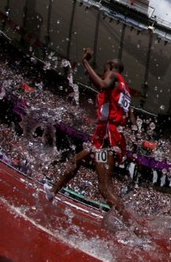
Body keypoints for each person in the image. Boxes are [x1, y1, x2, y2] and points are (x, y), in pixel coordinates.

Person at [45, 48, 138, 227]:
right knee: (76, 159)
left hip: (107, 138)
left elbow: (102, 85)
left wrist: (85, 62)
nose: (105, 73)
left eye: (105, 69)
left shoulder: (114, 77)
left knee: (104, 187)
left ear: (112, 68)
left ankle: (134, 229)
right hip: (106, 135)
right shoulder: (125, 89)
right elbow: (131, 117)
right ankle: (53, 192)